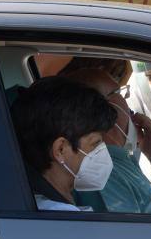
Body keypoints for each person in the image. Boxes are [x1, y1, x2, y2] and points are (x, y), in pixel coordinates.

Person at [63, 67, 151, 214]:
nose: (128, 105)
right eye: (121, 94)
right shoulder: (102, 173)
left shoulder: (122, 159)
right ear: (107, 106)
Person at [10, 75, 117, 211]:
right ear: (60, 150)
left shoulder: (37, 206)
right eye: (95, 143)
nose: (103, 151)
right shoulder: (62, 219)